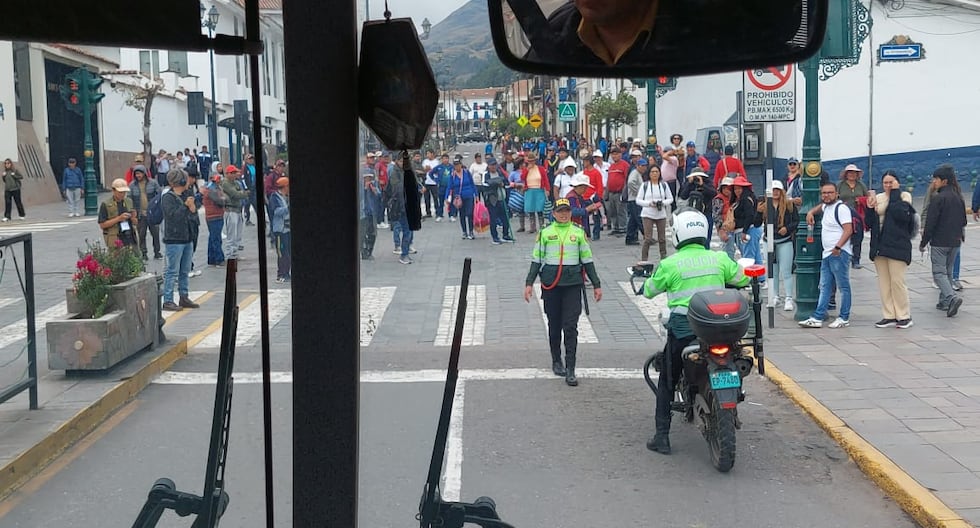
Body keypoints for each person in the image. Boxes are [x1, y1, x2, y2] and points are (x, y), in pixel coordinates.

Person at [641, 209, 749, 455]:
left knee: (667, 379)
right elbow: (741, 278)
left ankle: (661, 436)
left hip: (684, 332)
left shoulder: (670, 264)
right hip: (723, 331)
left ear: (677, 234)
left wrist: (645, 280)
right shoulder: (719, 259)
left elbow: (649, 290)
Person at [523, 198, 602, 387]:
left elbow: (587, 260)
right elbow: (536, 259)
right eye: (560, 211)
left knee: (570, 326)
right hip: (551, 284)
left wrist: (597, 284)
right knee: (554, 324)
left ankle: (571, 368)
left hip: (573, 284)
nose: (564, 214)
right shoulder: (545, 233)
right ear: (554, 213)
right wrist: (528, 283)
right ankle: (556, 361)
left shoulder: (578, 233)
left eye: (567, 211)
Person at [799, 182, 854, 329]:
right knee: (825, 286)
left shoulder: (841, 209)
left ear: (837, 194)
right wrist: (810, 212)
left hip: (838, 253)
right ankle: (818, 316)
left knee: (843, 286)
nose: (826, 195)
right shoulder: (826, 207)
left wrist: (838, 247)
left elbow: (848, 229)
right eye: (824, 193)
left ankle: (844, 317)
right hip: (827, 254)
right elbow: (819, 207)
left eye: (830, 192)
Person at [866, 171, 915, 328]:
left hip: (897, 245)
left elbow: (901, 215)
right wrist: (869, 208)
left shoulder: (904, 197)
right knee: (884, 283)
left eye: (891, 182)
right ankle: (889, 314)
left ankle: (903, 315)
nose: (888, 185)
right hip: (880, 245)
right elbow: (869, 223)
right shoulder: (878, 198)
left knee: (897, 281)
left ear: (897, 183)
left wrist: (894, 193)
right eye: (885, 183)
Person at [920, 164, 967, 318]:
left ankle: (952, 297)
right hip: (955, 241)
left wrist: (923, 242)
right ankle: (944, 301)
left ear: (944, 181)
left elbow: (931, 223)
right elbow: (964, 221)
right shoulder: (959, 198)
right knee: (947, 270)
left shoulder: (938, 198)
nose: (934, 182)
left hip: (940, 241)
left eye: (936, 179)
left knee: (939, 272)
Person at [160, 169, 200, 312]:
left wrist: (192, 208)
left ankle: (184, 295)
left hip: (187, 237)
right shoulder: (168, 198)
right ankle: (168, 300)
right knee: (172, 271)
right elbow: (172, 216)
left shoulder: (187, 195)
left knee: (185, 270)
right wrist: (185, 206)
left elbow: (193, 214)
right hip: (174, 239)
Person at [764, 180, 799, 311]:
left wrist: (787, 228)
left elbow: (796, 221)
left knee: (786, 271)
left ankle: (789, 297)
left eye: (777, 190)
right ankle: (775, 296)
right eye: (773, 190)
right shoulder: (765, 206)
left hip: (784, 241)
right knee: (772, 271)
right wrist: (758, 211)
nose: (775, 193)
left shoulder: (789, 205)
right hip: (769, 241)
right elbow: (757, 222)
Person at [635, 164, 672, 262]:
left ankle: (664, 258)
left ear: (660, 173)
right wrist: (649, 204)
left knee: (662, 239)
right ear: (649, 173)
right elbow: (638, 200)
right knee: (647, 239)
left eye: (657, 172)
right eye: (652, 172)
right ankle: (644, 260)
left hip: (661, 214)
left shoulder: (664, 185)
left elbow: (670, 198)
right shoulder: (645, 185)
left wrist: (662, 203)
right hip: (648, 214)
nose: (655, 174)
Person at [386, 155, 417, 263]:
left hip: (409, 205)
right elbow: (398, 189)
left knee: (410, 231)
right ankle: (403, 253)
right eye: (400, 161)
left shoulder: (408, 171)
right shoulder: (394, 172)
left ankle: (406, 251)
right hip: (400, 206)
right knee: (405, 230)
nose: (403, 163)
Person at [128, 165, 163, 260]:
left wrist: (157, 208)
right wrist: (132, 211)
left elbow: (159, 194)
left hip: (152, 213)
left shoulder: (153, 183)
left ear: (144, 173)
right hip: (140, 214)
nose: (138, 175)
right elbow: (129, 198)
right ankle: (144, 253)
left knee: (155, 234)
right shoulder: (132, 185)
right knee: (141, 234)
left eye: (139, 173)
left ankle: (157, 252)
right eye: (136, 173)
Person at [837, 164, 868, 269]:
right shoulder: (840, 185)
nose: (852, 175)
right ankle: (843, 257)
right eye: (849, 172)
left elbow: (867, 197)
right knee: (843, 236)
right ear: (846, 174)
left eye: (854, 173)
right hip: (843, 214)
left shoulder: (861, 185)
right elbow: (835, 197)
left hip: (857, 216)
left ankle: (856, 260)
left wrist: (861, 200)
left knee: (858, 237)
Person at [97, 178, 139, 248]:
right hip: (115, 237)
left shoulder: (129, 201)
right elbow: (102, 225)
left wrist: (134, 219)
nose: (122, 194)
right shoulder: (106, 204)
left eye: (124, 192)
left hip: (130, 236)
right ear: (113, 190)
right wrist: (118, 219)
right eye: (120, 192)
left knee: (135, 257)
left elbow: (135, 221)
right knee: (117, 257)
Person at [220, 165, 250, 261]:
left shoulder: (236, 182)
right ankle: (230, 254)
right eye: (232, 173)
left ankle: (235, 253)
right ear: (227, 174)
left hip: (238, 209)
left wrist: (242, 193)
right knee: (231, 234)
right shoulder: (225, 183)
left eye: (235, 173)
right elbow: (235, 194)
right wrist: (243, 193)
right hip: (231, 210)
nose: (234, 175)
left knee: (238, 234)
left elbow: (240, 192)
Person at [483, 157, 515, 244]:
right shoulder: (486, 174)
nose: (493, 167)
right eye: (491, 165)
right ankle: (495, 237)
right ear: (488, 166)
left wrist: (503, 183)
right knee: (493, 219)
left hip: (502, 199)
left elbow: (507, 182)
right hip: (492, 201)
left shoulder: (500, 173)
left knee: (505, 218)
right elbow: (485, 185)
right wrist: (496, 183)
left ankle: (505, 235)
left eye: (494, 165)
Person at [446, 154, 478, 239]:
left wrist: (476, 195)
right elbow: (449, 187)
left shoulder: (467, 173)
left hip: (469, 195)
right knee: (462, 214)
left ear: (461, 165)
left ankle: (471, 231)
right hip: (459, 197)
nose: (457, 167)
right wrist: (447, 197)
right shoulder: (452, 176)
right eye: (455, 165)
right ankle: (464, 231)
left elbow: (472, 184)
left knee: (470, 213)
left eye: (458, 165)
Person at [521, 151, 550, 233]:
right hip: (529, 190)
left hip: (539, 190)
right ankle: (532, 227)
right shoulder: (525, 169)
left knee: (540, 209)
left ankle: (542, 226)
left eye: (532, 161)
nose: (531, 162)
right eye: (529, 161)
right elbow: (522, 178)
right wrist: (527, 169)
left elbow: (545, 179)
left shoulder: (540, 169)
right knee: (531, 210)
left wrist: (547, 189)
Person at [201, 174, 226, 267]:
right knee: (216, 238)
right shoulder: (212, 190)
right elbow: (220, 201)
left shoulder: (211, 188)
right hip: (214, 216)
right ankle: (219, 259)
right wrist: (224, 199)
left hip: (213, 215)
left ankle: (212, 259)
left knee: (212, 238)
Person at [270, 177, 291, 281]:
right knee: (282, 252)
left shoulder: (286, 197)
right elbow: (276, 212)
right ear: (285, 187)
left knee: (288, 252)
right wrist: (287, 208)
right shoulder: (275, 197)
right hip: (279, 230)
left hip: (288, 229)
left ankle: (287, 272)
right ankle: (281, 274)